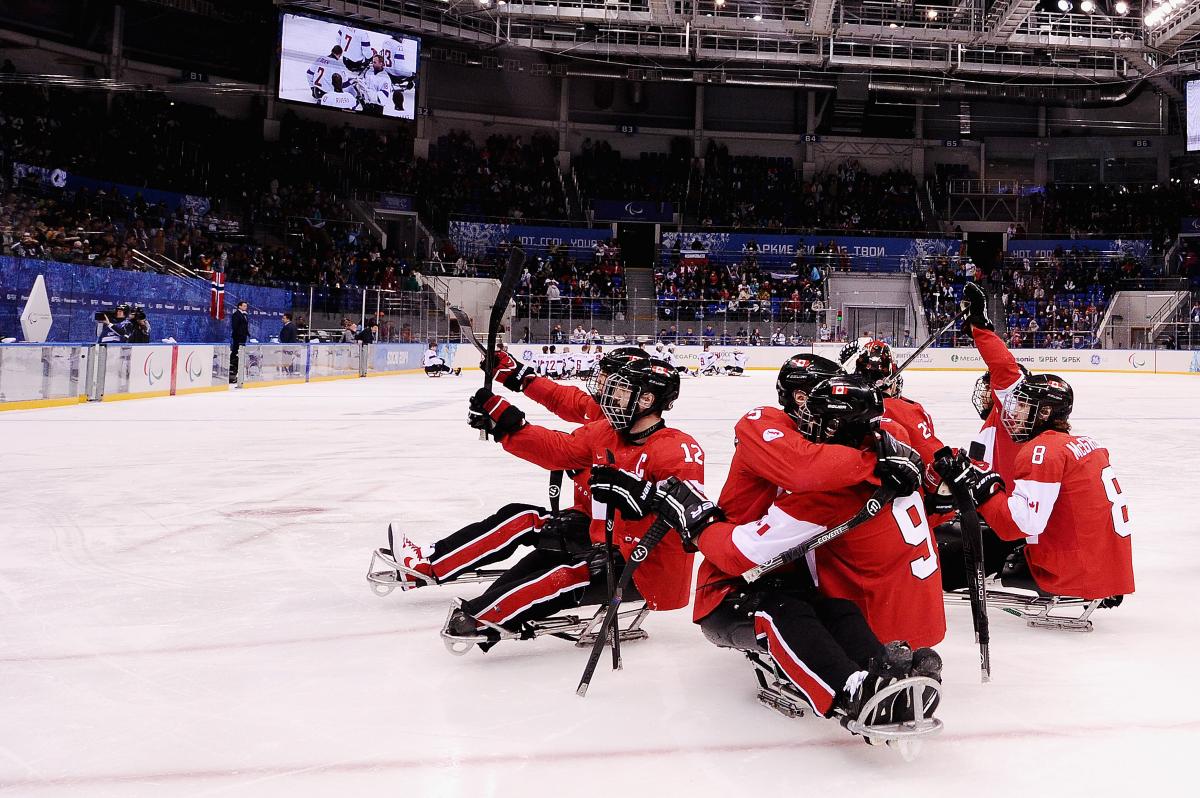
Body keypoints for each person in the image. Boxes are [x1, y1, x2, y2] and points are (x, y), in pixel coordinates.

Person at [640, 372, 941, 741]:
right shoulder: (896, 464)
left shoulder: (826, 490)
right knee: (785, 610)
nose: (804, 426)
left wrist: (699, 523)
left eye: (814, 418)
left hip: (746, 577)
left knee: (836, 608)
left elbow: (739, 555)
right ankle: (854, 686)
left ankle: (872, 678)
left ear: (833, 427)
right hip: (737, 597)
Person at [440, 358, 703, 648]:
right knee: (540, 560)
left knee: (566, 577)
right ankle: (486, 604)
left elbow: (689, 516)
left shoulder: (678, 449)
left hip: (645, 566)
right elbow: (559, 450)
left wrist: (638, 496)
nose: (611, 397)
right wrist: (508, 425)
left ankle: (483, 618)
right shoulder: (606, 433)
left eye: (621, 391)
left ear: (646, 400)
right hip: (603, 546)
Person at [370, 348, 652, 602]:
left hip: (612, 539)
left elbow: (586, 467)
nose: (600, 383)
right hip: (592, 521)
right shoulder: (612, 411)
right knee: (518, 515)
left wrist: (509, 426)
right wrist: (518, 375)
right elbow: (561, 398)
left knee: (521, 520)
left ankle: (426, 565)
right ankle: (432, 560)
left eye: (610, 379)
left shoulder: (632, 431)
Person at [940, 374, 1134, 603]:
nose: (1013, 414)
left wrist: (986, 489)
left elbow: (1017, 526)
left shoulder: (1042, 450)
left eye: (1023, 405)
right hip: (1105, 566)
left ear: (1044, 413)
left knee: (949, 562)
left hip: (1066, 572)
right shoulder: (1089, 444)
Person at [230, 301, 249, 383]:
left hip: (243, 337)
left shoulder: (244, 315)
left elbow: (244, 326)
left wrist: (247, 333)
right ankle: (233, 371)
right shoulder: (236, 315)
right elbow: (235, 327)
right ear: (239, 306)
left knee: (240, 354)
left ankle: (237, 371)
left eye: (246, 306)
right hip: (238, 338)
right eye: (244, 306)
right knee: (235, 353)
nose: (246, 307)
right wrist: (240, 334)